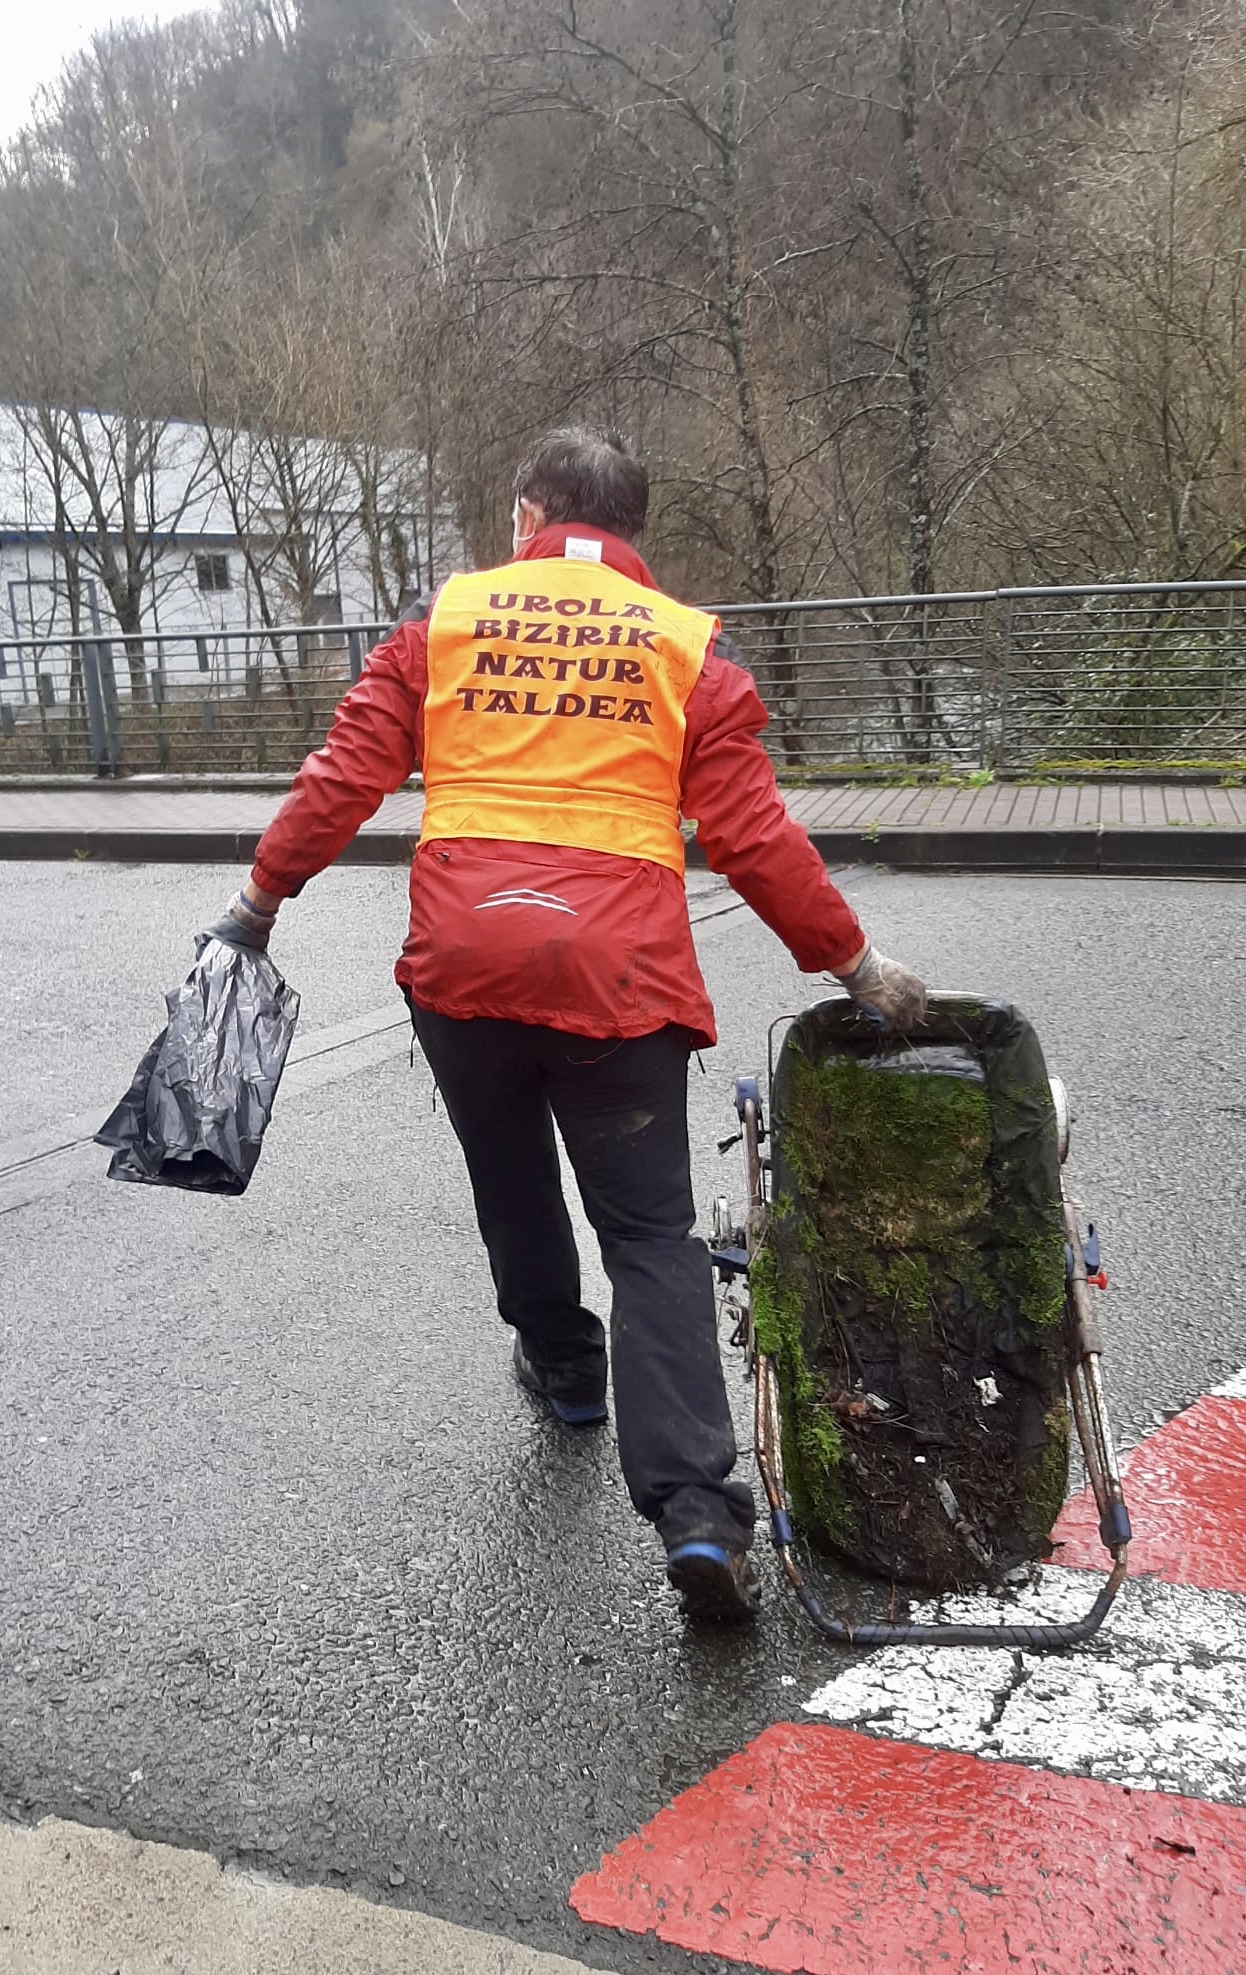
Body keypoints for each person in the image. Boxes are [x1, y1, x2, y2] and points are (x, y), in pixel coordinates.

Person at [219, 426, 926, 1624]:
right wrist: (855, 965)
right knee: (649, 1232)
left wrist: (259, 902)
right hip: (619, 985)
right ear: (632, 532)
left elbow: (342, 776)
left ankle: (565, 1369)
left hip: (463, 968)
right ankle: (696, 1513)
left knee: (511, 1179)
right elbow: (754, 837)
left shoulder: (444, 624)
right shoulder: (686, 647)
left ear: (526, 518)